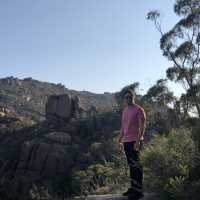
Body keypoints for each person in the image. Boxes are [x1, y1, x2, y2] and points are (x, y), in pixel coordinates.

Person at [118, 89, 146, 199]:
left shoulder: (139, 110)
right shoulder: (125, 110)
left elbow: (142, 126)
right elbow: (123, 126)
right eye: (126, 97)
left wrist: (138, 141)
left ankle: (138, 191)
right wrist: (119, 139)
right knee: (131, 165)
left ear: (133, 97)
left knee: (137, 166)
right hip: (126, 140)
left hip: (135, 141)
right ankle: (133, 188)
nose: (128, 99)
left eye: (130, 97)